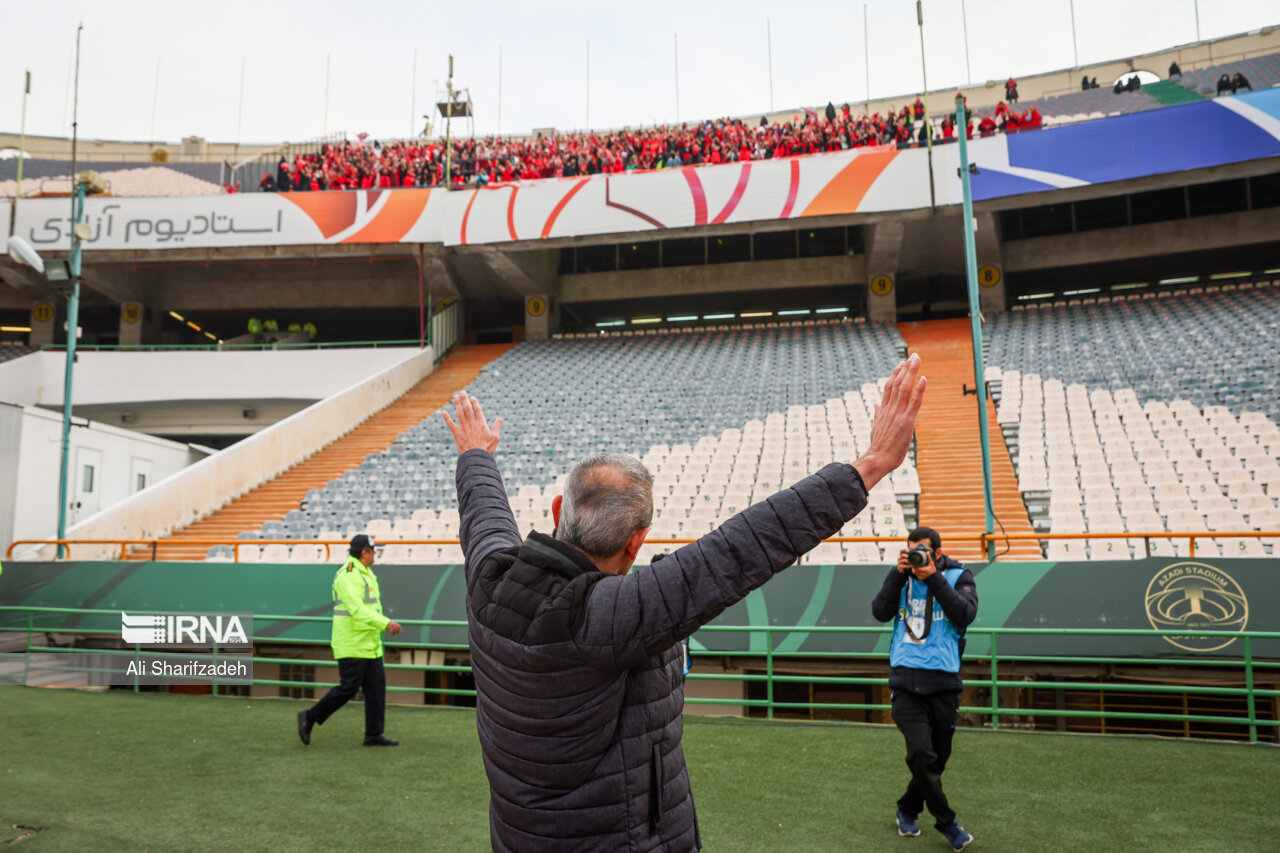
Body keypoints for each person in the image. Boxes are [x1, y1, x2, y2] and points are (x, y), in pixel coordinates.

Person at [447, 355, 928, 852]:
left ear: (556, 512)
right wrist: (869, 466)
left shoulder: (489, 577)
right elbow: (737, 551)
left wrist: (476, 454)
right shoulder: (609, 615)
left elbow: (482, 514)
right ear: (637, 543)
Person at [871, 526, 978, 852]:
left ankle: (907, 807)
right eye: (912, 551)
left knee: (937, 758)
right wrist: (897, 574)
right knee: (921, 753)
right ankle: (948, 823)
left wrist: (933, 577)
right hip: (905, 680)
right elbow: (879, 612)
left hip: (943, 681)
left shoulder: (959, 575)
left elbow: (966, 613)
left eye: (924, 552)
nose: (918, 557)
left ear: (938, 554)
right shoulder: (901, 578)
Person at [297, 533, 403, 747]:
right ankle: (309, 716)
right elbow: (356, 610)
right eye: (373, 550)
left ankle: (373, 734)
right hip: (352, 644)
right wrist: (385, 623)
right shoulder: (348, 575)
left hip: (369, 645)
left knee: (376, 689)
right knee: (348, 688)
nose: (375, 554)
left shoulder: (365, 573)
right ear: (365, 552)